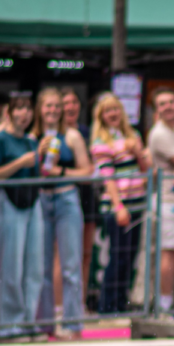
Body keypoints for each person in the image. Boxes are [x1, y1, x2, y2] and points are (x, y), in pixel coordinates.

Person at [33, 87, 91, 340]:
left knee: (70, 264)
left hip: (66, 198)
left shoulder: (73, 136)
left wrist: (61, 173)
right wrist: (37, 153)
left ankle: (73, 324)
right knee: (41, 266)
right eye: (49, 106)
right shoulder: (32, 136)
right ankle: (46, 324)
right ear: (40, 108)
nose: (54, 110)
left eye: (57, 106)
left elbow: (87, 171)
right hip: (40, 199)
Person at [0, 93, 43, 342]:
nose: (25, 114)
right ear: (9, 113)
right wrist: (21, 162)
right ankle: (9, 325)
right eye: (19, 108)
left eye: (28, 109)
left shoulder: (32, 142)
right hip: (8, 203)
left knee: (34, 267)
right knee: (11, 267)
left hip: (33, 204)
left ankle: (28, 321)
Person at [91, 93, 150, 314]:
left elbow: (146, 169)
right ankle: (107, 306)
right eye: (108, 110)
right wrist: (118, 207)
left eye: (116, 108)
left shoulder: (132, 135)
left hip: (137, 204)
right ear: (101, 116)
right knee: (117, 256)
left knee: (129, 257)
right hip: (119, 207)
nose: (113, 113)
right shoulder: (101, 143)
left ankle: (120, 303)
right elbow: (108, 179)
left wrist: (138, 152)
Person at [147, 87, 174, 313]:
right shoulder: (159, 133)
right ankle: (164, 305)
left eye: (172, 101)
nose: (169, 107)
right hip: (168, 200)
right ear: (156, 110)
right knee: (169, 253)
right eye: (162, 103)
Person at [61, 87, 97, 309]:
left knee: (85, 254)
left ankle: (80, 302)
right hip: (64, 195)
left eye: (74, 102)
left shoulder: (86, 132)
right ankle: (61, 307)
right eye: (66, 103)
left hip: (86, 195)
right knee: (64, 257)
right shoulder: (56, 134)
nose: (70, 107)